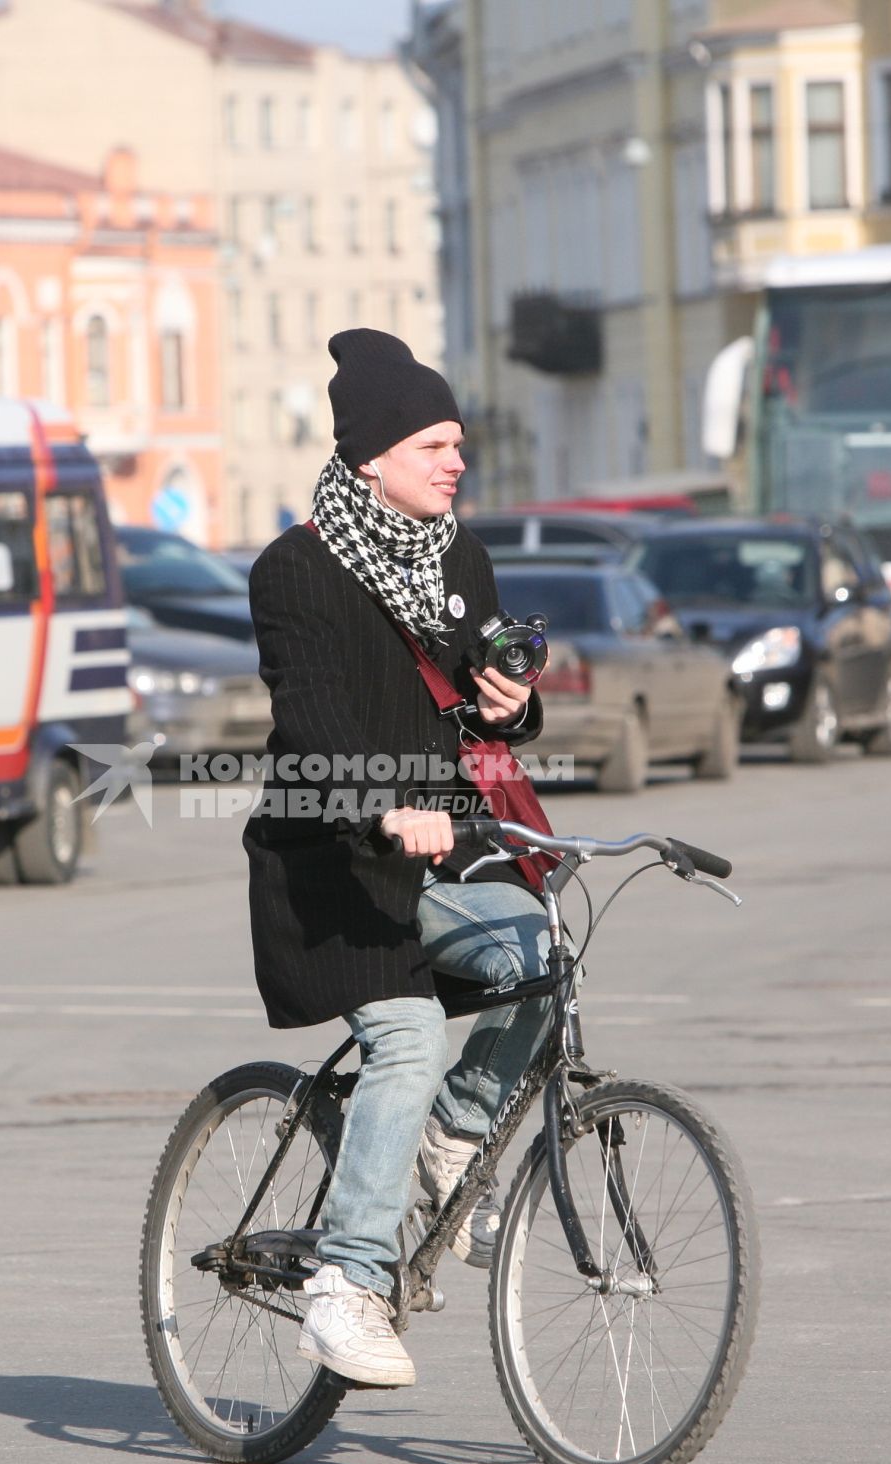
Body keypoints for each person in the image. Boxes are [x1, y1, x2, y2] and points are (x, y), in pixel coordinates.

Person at [242, 329, 558, 1389]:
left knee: (542, 951)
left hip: (430, 857)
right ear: (370, 455)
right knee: (410, 1034)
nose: (454, 460)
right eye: (432, 443)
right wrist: (384, 803)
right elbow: (316, 718)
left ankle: (449, 1143)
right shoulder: (295, 571)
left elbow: (476, 713)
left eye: (457, 441)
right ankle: (344, 1283)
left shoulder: (456, 557)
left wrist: (512, 706)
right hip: (326, 866)